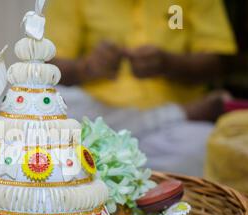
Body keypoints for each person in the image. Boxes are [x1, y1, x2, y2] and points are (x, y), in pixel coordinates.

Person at [45, 0, 237, 176]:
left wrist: (169, 64)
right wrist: (85, 68)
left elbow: (219, 62)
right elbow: (48, 65)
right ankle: (175, 114)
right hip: (97, 121)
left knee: (206, 146)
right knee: (53, 103)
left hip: (168, 136)